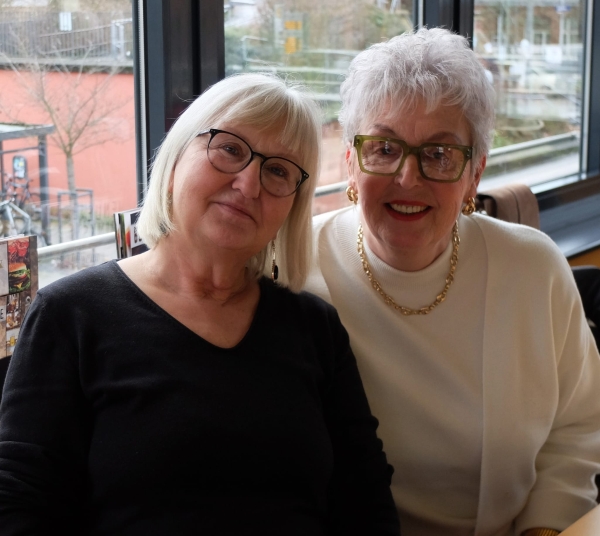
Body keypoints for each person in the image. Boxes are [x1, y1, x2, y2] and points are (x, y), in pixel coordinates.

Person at [0, 73, 400, 536]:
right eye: (229, 148)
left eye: (278, 171)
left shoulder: (314, 328)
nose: (248, 184)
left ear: (292, 206)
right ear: (175, 162)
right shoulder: (70, 314)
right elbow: (20, 504)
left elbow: (365, 501)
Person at [306, 28, 600, 536]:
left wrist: (544, 528)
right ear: (350, 164)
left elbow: (577, 428)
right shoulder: (293, 268)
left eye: (439, 154)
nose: (408, 178)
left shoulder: (533, 268)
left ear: (474, 174)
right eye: (384, 148)